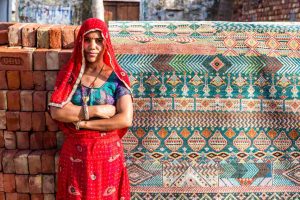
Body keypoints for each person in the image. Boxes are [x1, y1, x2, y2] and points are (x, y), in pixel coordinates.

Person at [48, 18, 133, 200]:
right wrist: (97, 111)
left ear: (106, 43)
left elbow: (125, 119)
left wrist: (82, 123)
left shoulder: (117, 78)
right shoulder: (70, 75)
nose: (92, 46)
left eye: (98, 40)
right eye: (88, 40)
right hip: (75, 157)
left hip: (108, 157)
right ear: (81, 42)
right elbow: (57, 111)